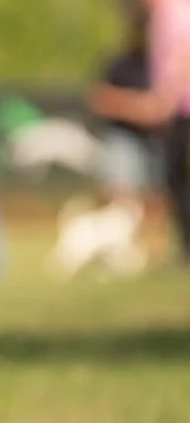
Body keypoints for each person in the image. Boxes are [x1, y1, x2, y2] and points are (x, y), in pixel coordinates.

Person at [89, 0, 190, 265]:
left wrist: (164, 102)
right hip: (159, 121)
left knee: (176, 181)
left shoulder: (175, 15)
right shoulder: (164, 18)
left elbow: (184, 58)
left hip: (179, 111)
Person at [89, 4, 159, 207]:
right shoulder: (121, 65)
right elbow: (99, 98)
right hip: (125, 139)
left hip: (160, 140)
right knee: (122, 155)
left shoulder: (164, 65)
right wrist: (136, 107)